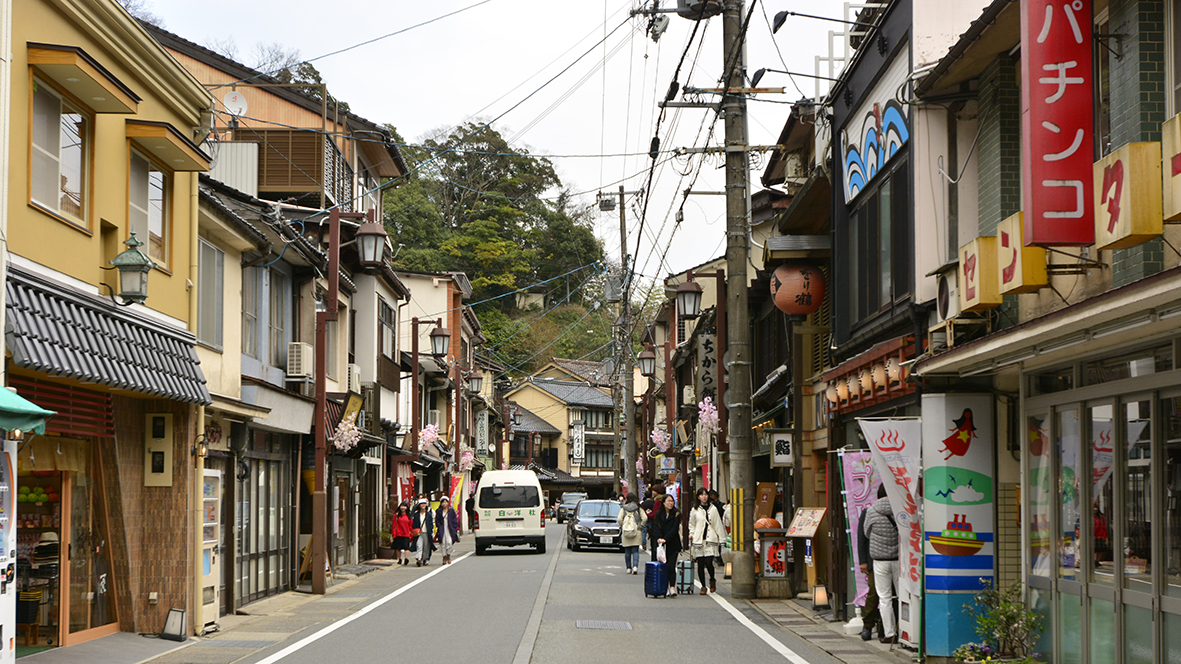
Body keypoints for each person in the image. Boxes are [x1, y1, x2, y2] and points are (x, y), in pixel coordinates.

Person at [863, 485, 899, 644]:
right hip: (899, 560)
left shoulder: (871, 511)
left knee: (884, 598)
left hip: (880, 560)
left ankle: (890, 633)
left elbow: (866, 533)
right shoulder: (900, 510)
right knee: (902, 596)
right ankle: (905, 631)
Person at [689, 488, 725, 594]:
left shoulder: (713, 509)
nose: (704, 496)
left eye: (705, 494)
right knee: (700, 564)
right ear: (698, 497)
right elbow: (692, 524)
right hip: (699, 539)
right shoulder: (695, 510)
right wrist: (691, 533)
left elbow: (718, 524)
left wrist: (722, 539)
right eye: (701, 495)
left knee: (709, 562)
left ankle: (712, 579)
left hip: (710, 539)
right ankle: (703, 586)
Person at [855, 502, 882, 641]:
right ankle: (868, 625)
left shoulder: (898, 509)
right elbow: (862, 538)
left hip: (896, 560)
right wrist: (863, 561)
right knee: (873, 592)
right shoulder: (868, 512)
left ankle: (884, 626)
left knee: (890, 596)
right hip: (874, 560)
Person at [650, 494, 682, 596]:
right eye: (668, 501)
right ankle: (664, 586)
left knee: (671, 566)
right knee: (662, 567)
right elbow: (656, 527)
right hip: (661, 545)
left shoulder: (676, 514)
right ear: (664, 503)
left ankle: (672, 587)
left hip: (673, 544)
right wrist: (659, 538)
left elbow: (674, 529)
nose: (670, 503)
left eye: (672, 501)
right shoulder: (659, 514)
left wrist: (665, 539)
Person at [617, 494, 647, 575]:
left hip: (626, 531)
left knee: (627, 551)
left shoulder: (624, 508)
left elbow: (619, 519)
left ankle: (628, 568)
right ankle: (635, 567)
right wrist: (640, 526)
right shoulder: (638, 508)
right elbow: (645, 518)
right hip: (636, 531)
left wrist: (623, 525)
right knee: (635, 550)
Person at [435, 496, 461, 565]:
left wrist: (454, 527)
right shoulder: (439, 511)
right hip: (442, 528)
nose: (444, 504)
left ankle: (448, 555)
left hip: (450, 528)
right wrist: (438, 526)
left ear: (448, 502)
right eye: (443, 502)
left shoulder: (451, 510)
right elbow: (437, 520)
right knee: (443, 543)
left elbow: (454, 519)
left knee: (449, 542)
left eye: (445, 502)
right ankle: (444, 556)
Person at [412, 499, 435, 567]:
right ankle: (419, 559)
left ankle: (425, 559)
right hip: (419, 533)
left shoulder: (429, 514)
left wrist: (431, 531)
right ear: (419, 505)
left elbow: (431, 524)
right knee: (419, 545)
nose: (423, 505)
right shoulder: (416, 514)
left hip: (427, 533)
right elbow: (414, 524)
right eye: (421, 504)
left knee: (426, 546)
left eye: (424, 504)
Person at [391, 502, 414, 566]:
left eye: (404, 506)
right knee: (398, 548)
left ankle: (406, 558)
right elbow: (394, 525)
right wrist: (394, 533)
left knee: (406, 547)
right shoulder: (396, 515)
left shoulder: (409, 516)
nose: (403, 508)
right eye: (402, 506)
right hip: (398, 533)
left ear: (407, 507)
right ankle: (399, 559)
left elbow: (411, 525)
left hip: (406, 533)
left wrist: (411, 533)